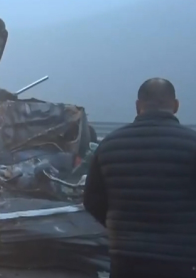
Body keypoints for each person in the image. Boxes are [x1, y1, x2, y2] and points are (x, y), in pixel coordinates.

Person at [83, 78, 196, 278]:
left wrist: (120, 228)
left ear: (137, 106)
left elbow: (92, 201)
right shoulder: (191, 144)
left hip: (125, 259)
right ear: (176, 106)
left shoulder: (110, 144)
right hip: (179, 260)